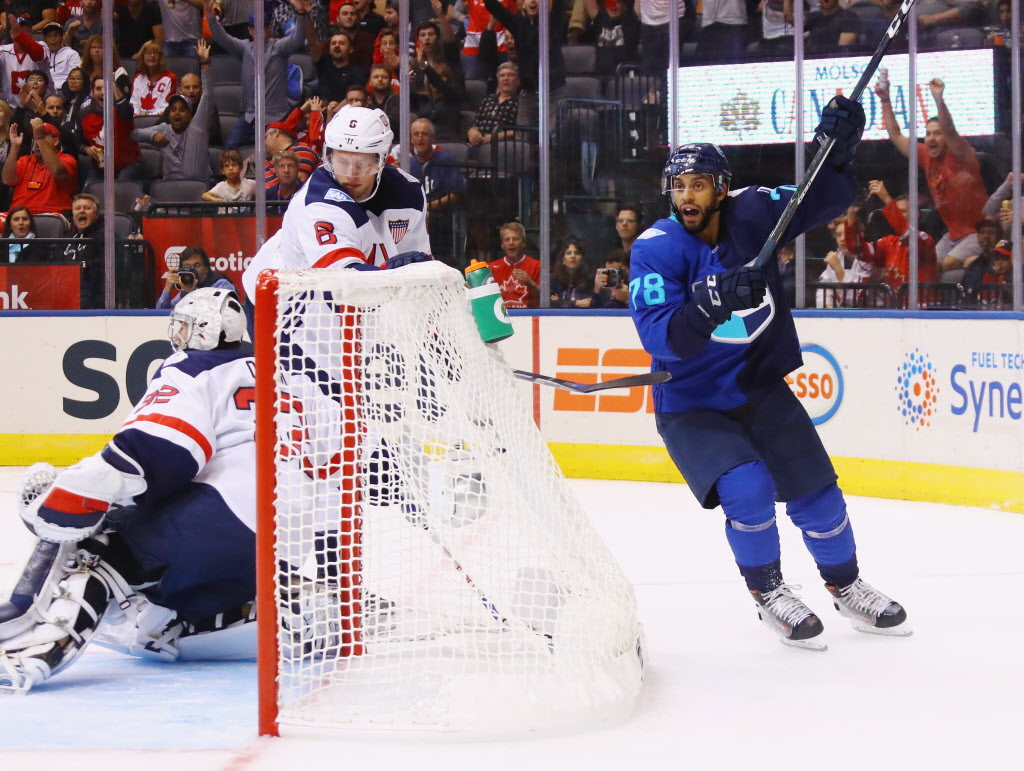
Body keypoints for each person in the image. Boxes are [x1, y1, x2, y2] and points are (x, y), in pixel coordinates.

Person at [628, 115, 911, 650]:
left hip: (758, 386)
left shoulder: (753, 210)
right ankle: (769, 592)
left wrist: (837, 151)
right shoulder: (655, 249)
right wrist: (709, 301)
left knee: (820, 496)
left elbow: (820, 198)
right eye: (679, 185)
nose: (687, 196)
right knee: (747, 488)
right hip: (693, 405)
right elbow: (662, 338)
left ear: (721, 188)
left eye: (699, 184)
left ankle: (846, 585)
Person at [0, 288, 259, 694]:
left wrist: (71, 498)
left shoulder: (191, 369)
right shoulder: (279, 369)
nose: (179, 335)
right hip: (292, 531)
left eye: (186, 327)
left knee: (98, 542)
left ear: (204, 330)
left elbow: (150, 454)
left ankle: (31, 646)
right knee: (169, 567)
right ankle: (232, 610)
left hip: (227, 516)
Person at [240, 104, 433, 323]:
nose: (350, 174)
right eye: (342, 162)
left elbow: (418, 264)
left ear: (380, 160)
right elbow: (343, 283)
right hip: (281, 304)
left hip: (343, 297)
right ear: (329, 157)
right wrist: (394, 276)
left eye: (361, 163)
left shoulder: (409, 192)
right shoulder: (318, 202)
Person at [875, 74, 988, 283]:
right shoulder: (926, 154)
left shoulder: (962, 154)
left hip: (978, 232)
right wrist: (885, 99)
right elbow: (896, 135)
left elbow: (951, 131)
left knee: (943, 269)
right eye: (928, 134)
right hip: (951, 235)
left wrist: (938, 100)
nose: (931, 138)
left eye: (937, 133)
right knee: (923, 267)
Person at [209, 0, 309, 150]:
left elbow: (297, 39)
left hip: (276, 116)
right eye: (256, 28)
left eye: (264, 27)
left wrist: (301, 15)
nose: (260, 31)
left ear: (269, 29)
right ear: (250, 30)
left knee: (280, 150)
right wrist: (210, 15)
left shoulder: (279, 48)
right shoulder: (244, 48)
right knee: (230, 148)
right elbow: (221, 38)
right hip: (250, 116)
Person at [130, 40, 212, 181]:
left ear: (190, 114)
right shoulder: (164, 129)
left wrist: (205, 64)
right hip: (169, 188)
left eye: (182, 110)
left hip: (199, 187)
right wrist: (153, 136)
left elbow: (208, 95)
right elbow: (134, 134)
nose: (177, 113)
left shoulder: (198, 125)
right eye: (173, 110)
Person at [853, 179, 938, 295]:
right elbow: (860, 251)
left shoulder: (925, 239)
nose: (896, 215)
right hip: (895, 309)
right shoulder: (889, 242)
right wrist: (851, 215)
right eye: (895, 211)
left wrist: (887, 199)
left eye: (901, 211)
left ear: (916, 215)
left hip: (922, 310)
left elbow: (907, 235)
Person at [76, 73, 142, 186]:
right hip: (100, 168)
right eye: (98, 89)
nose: (103, 92)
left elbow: (127, 110)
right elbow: (77, 141)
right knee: (88, 190)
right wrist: (87, 149)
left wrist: (113, 83)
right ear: (92, 92)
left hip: (127, 165)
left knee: (120, 190)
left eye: (107, 88)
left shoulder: (121, 109)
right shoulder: (83, 113)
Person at [2, 118, 77, 216]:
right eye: (35, 137)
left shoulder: (67, 159)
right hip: (20, 215)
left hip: (53, 214)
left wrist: (40, 137)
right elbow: (8, 180)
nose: (37, 141)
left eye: (43, 136)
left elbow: (57, 171)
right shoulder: (25, 160)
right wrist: (15, 148)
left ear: (56, 141)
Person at [466, 61, 521, 160]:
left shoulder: (521, 103)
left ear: (518, 81)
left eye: (510, 75)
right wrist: (472, 131)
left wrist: (496, 136)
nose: (506, 79)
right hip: (478, 144)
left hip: (502, 147)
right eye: (502, 76)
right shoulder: (488, 99)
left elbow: (521, 131)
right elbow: (475, 123)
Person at [156, 244, 236, 309]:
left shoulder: (221, 284)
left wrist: (192, 292)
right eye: (187, 266)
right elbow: (160, 314)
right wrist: (167, 289)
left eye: (197, 265)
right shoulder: (186, 288)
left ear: (207, 267)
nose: (192, 270)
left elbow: (212, 314)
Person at [61, 192, 105, 307]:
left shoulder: (104, 237)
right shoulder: (65, 240)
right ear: (73, 213)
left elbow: (104, 267)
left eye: (87, 208)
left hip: (92, 295)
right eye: (78, 208)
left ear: (95, 214)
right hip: (65, 291)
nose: (82, 211)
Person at [488, 220, 540, 309]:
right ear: (502, 245)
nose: (511, 243)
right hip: (500, 319)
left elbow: (546, 298)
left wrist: (530, 284)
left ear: (523, 243)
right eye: (507, 239)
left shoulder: (537, 266)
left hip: (528, 317)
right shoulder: (491, 268)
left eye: (515, 239)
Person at [309, 29, 369, 105]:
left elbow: (354, 97)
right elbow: (312, 43)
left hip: (345, 112)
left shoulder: (358, 72)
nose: (337, 45)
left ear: (350, 49)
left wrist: (334, 111)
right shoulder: (323, 65)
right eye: (333, 43)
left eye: (342, 43)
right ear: (329, 50)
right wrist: (306, 17)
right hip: (319, 110)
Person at [0, 12, 47, 105]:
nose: (23, 34)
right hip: (11, 107)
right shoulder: (4, 50)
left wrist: (19, 35)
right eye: (20, 30)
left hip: (39, 104)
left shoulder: (41, 45)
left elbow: (38, 54)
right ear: (11, 33)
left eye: (27, 31)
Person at [262, 121, 317, 189]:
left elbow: (298, 184)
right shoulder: (266, 161)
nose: (263, 143)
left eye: (265, 138)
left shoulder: (300, 149)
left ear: (276, 132)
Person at [130, 40, 178, 116]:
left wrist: (148, 117)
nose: (152, 56)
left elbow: (166, 106)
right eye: (148, 53)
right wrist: (137, 116)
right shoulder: (138, 78)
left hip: (160, 120)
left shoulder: (170, 78)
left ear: (160, 57)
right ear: (142, 57)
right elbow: (134, 103)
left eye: (155, 53)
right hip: (139, 120)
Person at [550, 238, 593, 308]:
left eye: (577, 253)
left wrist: (561, 300)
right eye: (568, 253)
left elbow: (588, 303)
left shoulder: (589, 280)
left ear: (582, 259)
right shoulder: (553, 281)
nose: (573, 256)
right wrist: (576, 303)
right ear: (563, 260)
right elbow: (552, 303)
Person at [41, 19, 81, 92]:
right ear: (44, 39)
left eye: (56, 35)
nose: (53, 39)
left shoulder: (71, 54)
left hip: (64, 90)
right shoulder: (40, 54)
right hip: (44, 90)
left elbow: (75, 77)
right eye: (49, 36)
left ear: (62, 38)